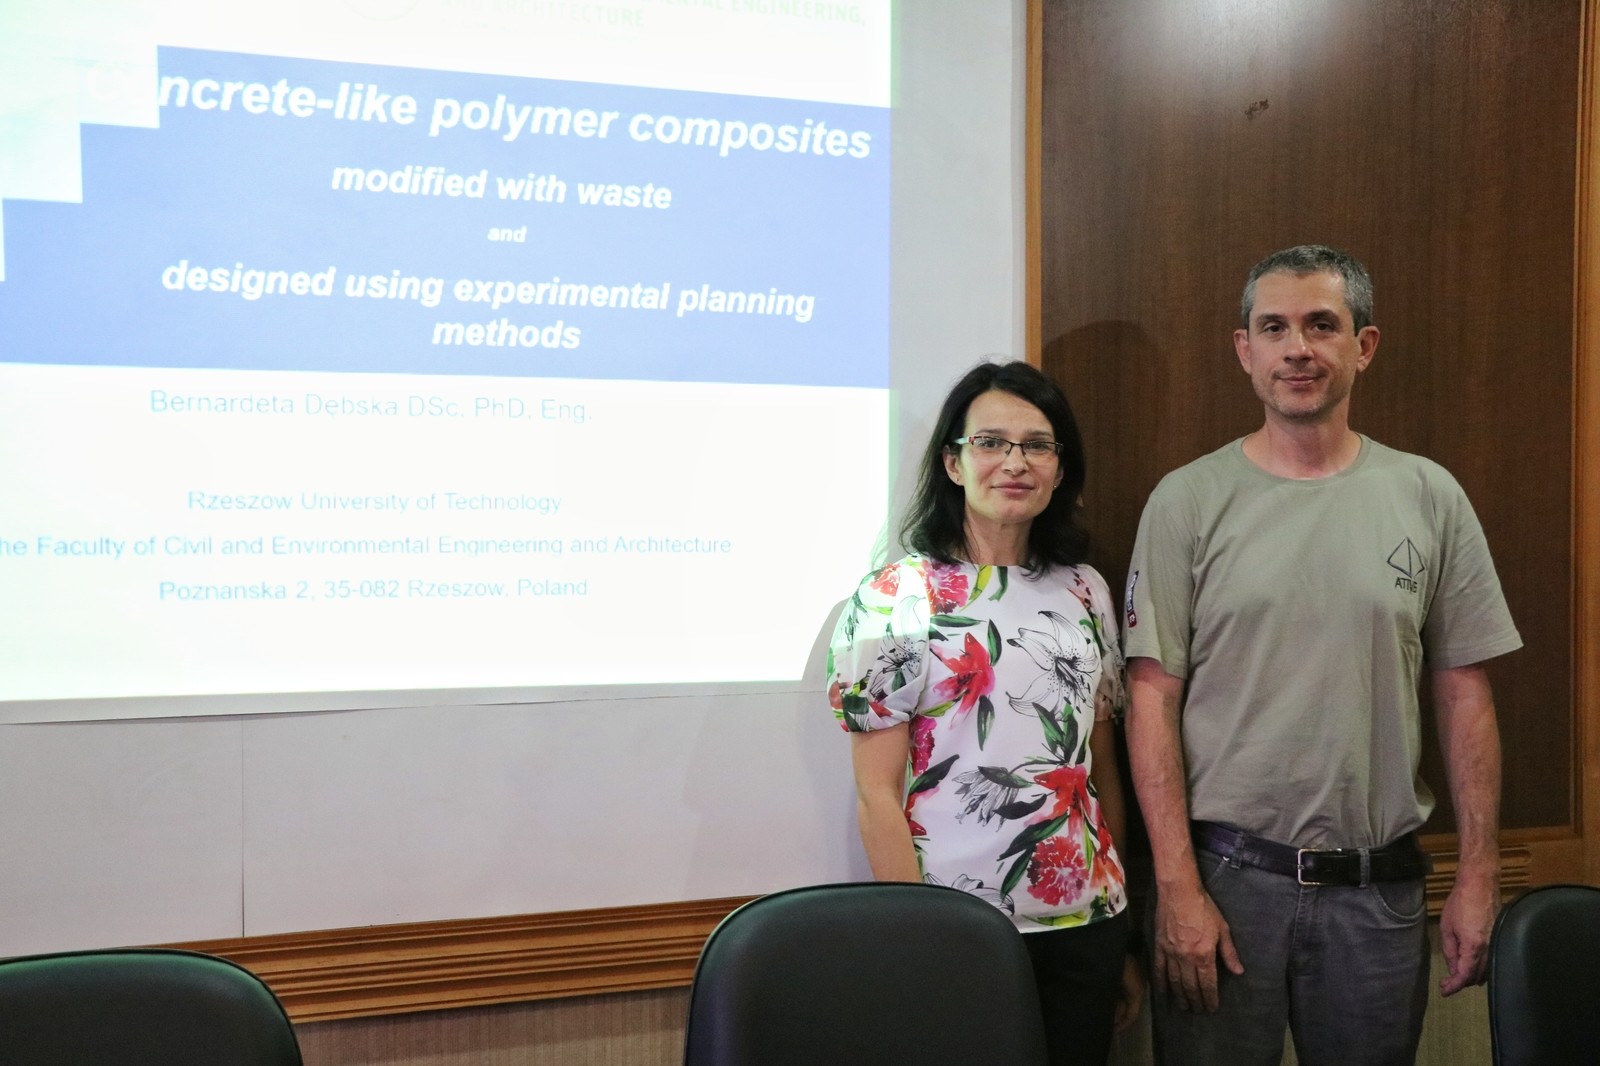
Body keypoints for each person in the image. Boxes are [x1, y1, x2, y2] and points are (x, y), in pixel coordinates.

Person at [1123, 245, 1522, 1066]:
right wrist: (1176, 887)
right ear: (1245, 350)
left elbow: (1465, 693)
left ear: (1363, 346)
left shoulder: (1429, 495)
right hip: (1225, 888)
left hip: (1377, 896)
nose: (1296, 348)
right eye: (1273, 328)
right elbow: (1152, 696)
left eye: (1321, 325)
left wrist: (1480, 873)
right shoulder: (1186, 501)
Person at [827, 360, 1142, 1066]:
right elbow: (877, 794)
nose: (1016, 462)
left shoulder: (1085, 590)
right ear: (953, 462)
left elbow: (1100, 771)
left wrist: (1123, 934)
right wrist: (919, 937)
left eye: (1038, 445)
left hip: (1086, 922)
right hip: (957, 928)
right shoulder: (895, 597)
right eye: (991, 442)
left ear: (1060, 469)